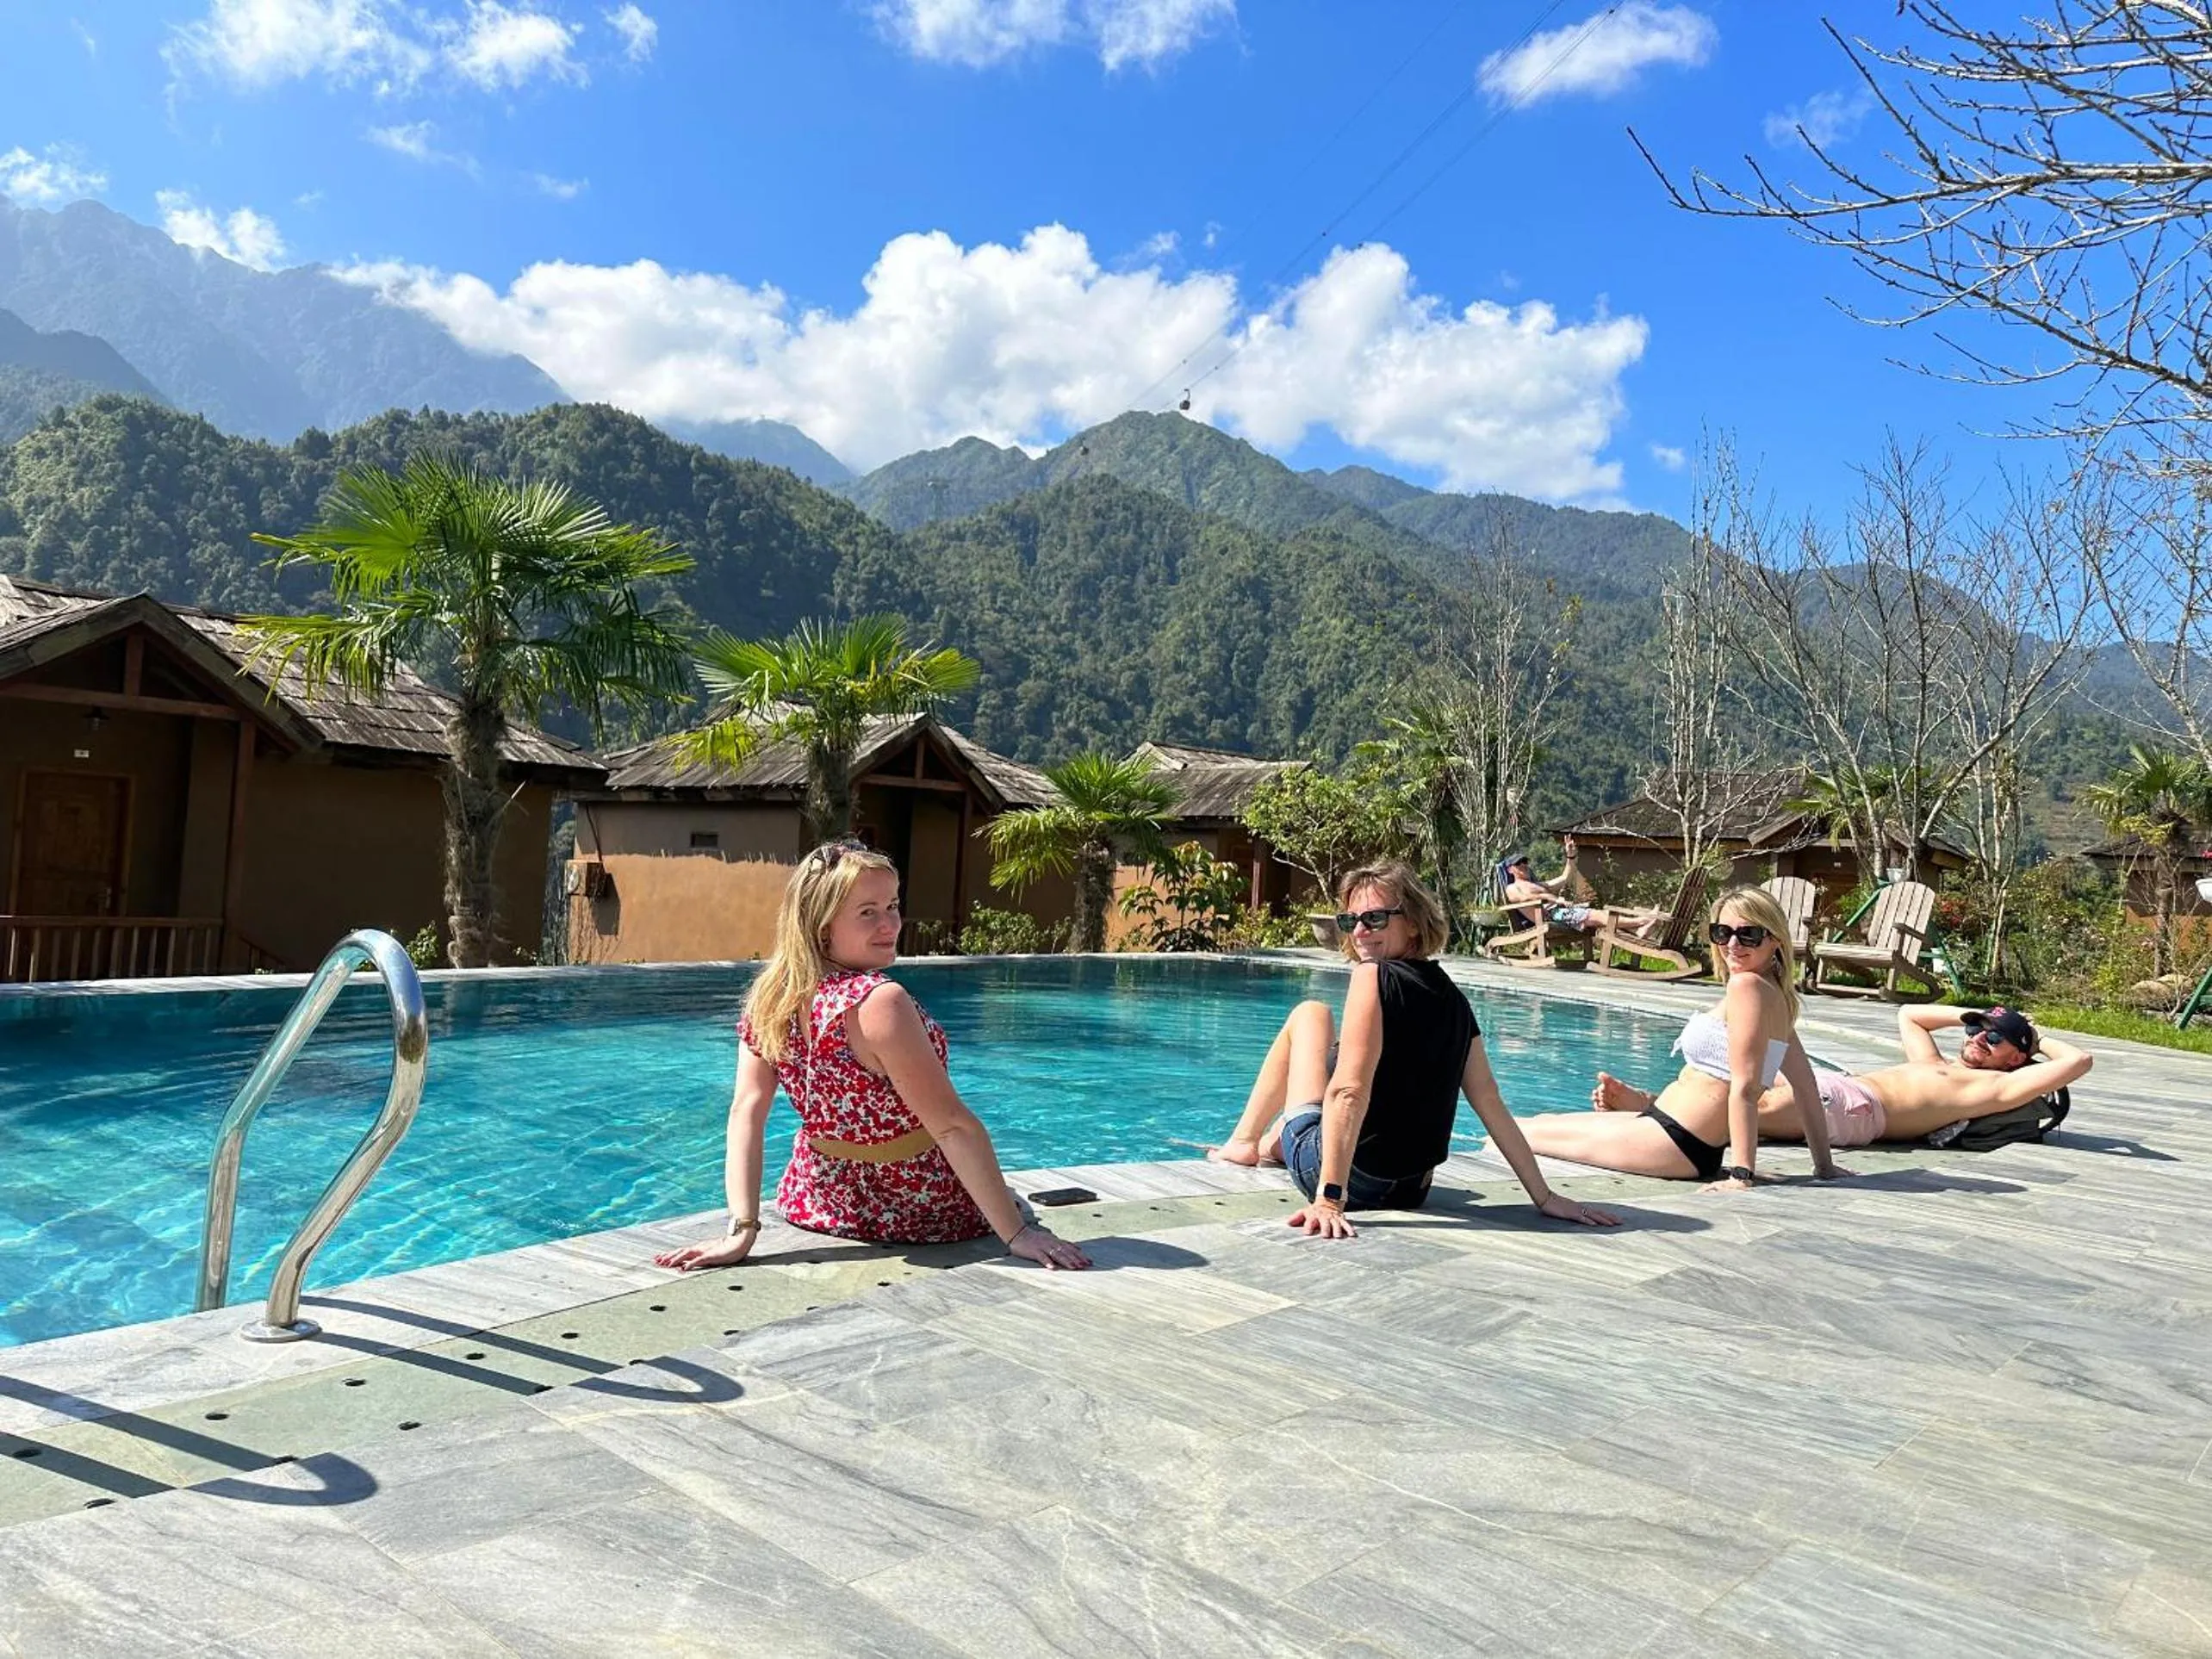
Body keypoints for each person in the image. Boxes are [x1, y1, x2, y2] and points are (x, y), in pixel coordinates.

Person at [656, 840, 1090, 1273]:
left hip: (819, 1200)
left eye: (893, 906)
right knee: (1013, 1202)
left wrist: (742, 1229)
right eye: (868, 912)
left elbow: (747, 1111)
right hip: (922, 1209)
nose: (890, 924)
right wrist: (1017, 1234)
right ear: (822, 925)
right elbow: (953, 1126)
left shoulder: (771, 999)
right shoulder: (879, 1002)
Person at [1209, 860, 1618, 1236]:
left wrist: (1329, 1199)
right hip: (1411, 1189)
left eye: (1375, 918)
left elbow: (1349, 1091)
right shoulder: (1453, 997)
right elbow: (1489, 1101)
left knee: (1311, 1014)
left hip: (1353, 1182)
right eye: (1351, 920)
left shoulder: (1372, 976)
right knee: (1310, 1103)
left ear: (1415, 924)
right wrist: (1544, 1197)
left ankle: (1246, 1142)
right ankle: (1269, 1143)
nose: (1359, 931)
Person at [1520, 886, 1847, 1189]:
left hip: (1675, 1141)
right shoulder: (1777, 997)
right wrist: (1824, 1166)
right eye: (1723, 933)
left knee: (1516, 1133)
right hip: (1673, 1133)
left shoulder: (1746, 987)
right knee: (1537, 1122)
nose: (1732, 944)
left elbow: (1745, 1087)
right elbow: (1805, 1087)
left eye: (1749, 935)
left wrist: (1742, 1175)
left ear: (1775, 939)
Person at [1589, 1003, 2093, 1147]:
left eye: (1994, 1038)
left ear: (2017, 1060)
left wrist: (2033, 1034)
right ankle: (1659, 1106)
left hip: (1858, 1111)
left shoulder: (1998, 1087)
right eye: (1977, 1031)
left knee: (1755, 1110)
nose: (1979, 1039)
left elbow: (2079, 1063)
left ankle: (1648, 1110)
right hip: (1843, 1087)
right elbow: (1909, 1016)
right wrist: (1982, 1011)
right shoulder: (1934, 1064)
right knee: (1735, 1083)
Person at [1500, 838, 1668, 941]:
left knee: (1599, 916)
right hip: (1550, 915)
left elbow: (1565, 878)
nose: (1523, 865)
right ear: (1510, 870)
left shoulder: (1538, 884)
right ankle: (1643, 921)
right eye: (1518, 864)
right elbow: (1522, 900)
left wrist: (1570, 856)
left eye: (1525, 862)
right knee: (1594, 915)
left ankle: (1638, 930)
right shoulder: (1512, 888)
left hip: (1562, 911)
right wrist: (1553, 898)